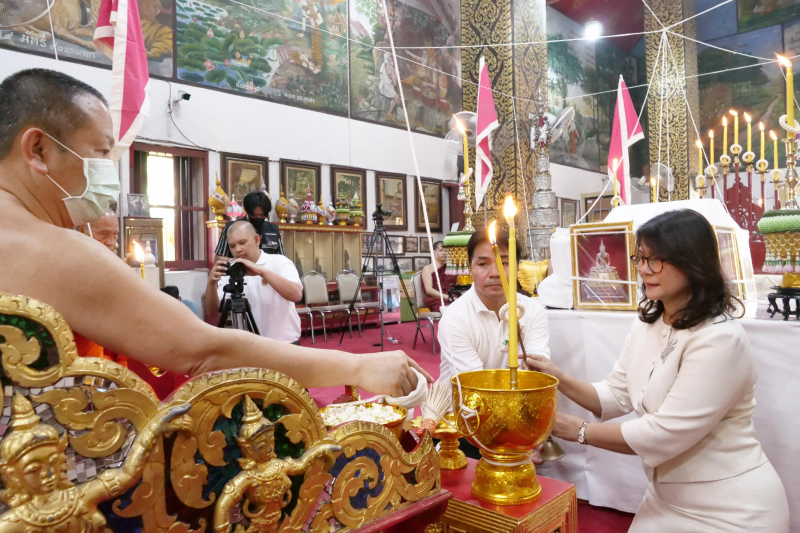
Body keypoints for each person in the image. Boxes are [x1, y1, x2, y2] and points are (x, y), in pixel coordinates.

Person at [0, 68, 429, 397]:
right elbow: (203, 349)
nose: (108, 172)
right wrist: (355, 368)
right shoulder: (55, 251)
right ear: (37, 150)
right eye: (99, 153)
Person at [526, 210, 789, 532]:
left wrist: (578, 430)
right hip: (665, 499)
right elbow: (616, 394)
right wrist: (558, 378)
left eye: (656, 260)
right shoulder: (649, 323)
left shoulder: (720, 339)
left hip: (731, 507)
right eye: (640, 258)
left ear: (692, 262)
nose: (642, 269)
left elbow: (664, 433)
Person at [438, 227, 550, 384]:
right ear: (470, 269)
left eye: (504, 262)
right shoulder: (455, 318)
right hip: (462, 405)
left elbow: (537, 370)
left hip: (519, 400)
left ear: (518, 266)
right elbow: (474, 384)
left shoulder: (532, 310)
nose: (495, 273)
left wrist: (534, 370)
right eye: (483, 264)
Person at [205, 220, 302, 344]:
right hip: (250, 347)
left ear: (257, 240)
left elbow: (296, 295)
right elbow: (213, 312)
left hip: (285, 344)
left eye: (242, 243)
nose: (238, 250)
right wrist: (211, 284)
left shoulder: (279, 262)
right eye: (232, 246)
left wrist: (262, 272)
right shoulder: (233, 270)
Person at [215, 191, 284, 259]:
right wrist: (240, 263)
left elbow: (282, 258)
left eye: (263, 215)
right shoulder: (231, 228)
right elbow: (218, 258)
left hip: (267, 269)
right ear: (247, 212)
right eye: (255, 215)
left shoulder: (273, 230)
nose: (259, 218)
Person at [421, 240, 455, 312]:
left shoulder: (449, 268)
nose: (444, 253)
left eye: (446, 251)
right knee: (451, 311)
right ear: (434, 252)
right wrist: (447, 297)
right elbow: (429, 290)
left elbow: (454, 286)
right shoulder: (428, 269)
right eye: (441, 250)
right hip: (437, 300)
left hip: (453, 298)